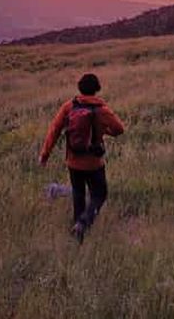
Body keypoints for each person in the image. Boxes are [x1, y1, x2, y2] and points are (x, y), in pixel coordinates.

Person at [38, 73, 125, 243]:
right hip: (94, 163)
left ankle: (78, 236)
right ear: (96, 89)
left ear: (80, 88)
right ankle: (83, 223)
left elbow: (54, 130)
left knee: (78, 195)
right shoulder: (101, 109)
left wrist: (44, 155)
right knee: (99, 195)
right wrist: (105, 131)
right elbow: (119, 129)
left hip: (73, 161)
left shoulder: (69, 107)